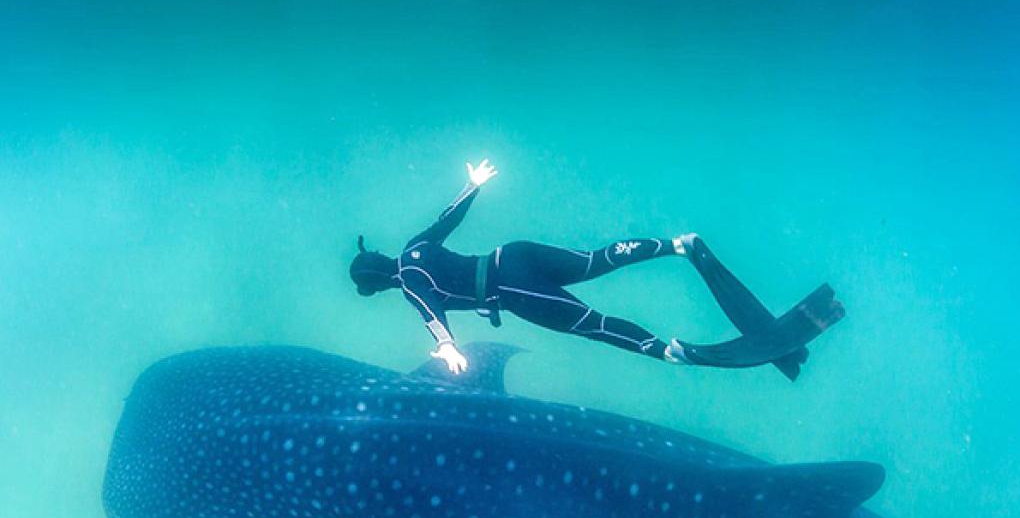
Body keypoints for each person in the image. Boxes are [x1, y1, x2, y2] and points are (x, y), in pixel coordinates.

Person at [350, 159, 843, 378]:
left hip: (511, 289)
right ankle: (677, 245)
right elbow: (448, 217)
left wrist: (447, 346)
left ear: (375, 287)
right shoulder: (414, 247)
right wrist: (474, 184)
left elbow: (429, 310)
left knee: (596, 326)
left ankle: (668, 352)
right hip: (513, 254)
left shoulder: (408, 280)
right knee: (596, 261)